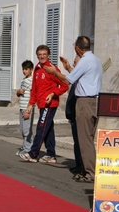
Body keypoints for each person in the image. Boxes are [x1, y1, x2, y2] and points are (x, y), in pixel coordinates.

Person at [44, 36, 103, 182]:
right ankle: (87, 169)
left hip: (85, 102)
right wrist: (69, 68)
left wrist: (54, 72)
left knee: (85, 140)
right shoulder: (94, 59)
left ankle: (90, 173)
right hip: (95, 102)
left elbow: (68, 80)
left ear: (77, 47)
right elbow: (80, 77)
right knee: (87, 138)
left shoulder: (84, 60)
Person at [19, 45, 69, 163]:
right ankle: (51, 154)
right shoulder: (36, 68)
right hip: (41, 104)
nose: (42, 56)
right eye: (40, 54)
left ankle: (33, 153)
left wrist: (52, 94)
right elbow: (35, 90)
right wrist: (30, 105)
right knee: (48, 128)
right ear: (37, 56)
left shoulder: (52, 69)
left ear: (48, 55)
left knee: (41, 127)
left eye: (44, 54)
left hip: (50, 104)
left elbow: (65, 85)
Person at [64, 55, 83, 176]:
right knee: (76, 141)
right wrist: (69, 68)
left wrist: (55, 73)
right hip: (72, 115)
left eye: (76, 63)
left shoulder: (83, 76)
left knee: (80, 141)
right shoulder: (78, 75)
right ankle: (78, 164)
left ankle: (82, 166)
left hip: (78, 114)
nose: (74, 65)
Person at [15, 60, 34, 156]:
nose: (24, 71)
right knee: (22, 129)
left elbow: (33, 96)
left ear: (31, 70)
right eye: (23, 69)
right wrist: (18, 92)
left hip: (27, 108)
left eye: (26, 69)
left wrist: (28, 109)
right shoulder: (23, 80)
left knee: (27, 129)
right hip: (21, 107)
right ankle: (26, 146)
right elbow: (18, 94)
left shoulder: (32, 81)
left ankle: (28, 149)